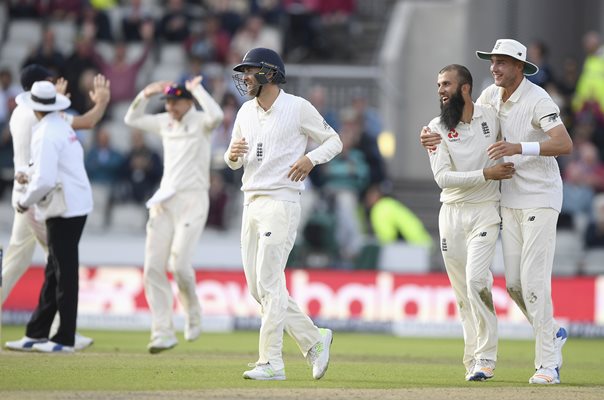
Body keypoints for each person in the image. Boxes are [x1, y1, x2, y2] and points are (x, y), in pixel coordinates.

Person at [421, 39, 572, 385]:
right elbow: (459, 117)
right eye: (492, 62)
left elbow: (565, 144)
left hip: (541, 196)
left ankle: (547, 364)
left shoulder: (538, 99)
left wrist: (521, 147)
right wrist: (427, 133)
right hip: (508, 199)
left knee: (533, 281)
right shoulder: (489, 96)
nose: (495, 68)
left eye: (502, 63)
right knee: (516, 285)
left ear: (520, 66)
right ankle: (552, 335)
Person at [225, 47, 342, 380]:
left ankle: (272, 362)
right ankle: (314, 339)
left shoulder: (297, 107)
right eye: (243, 72)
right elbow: (235, 160)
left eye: (250, 71)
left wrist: (310, 159)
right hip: (252, 201)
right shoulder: (245, 112)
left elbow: (334, 141)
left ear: (270, 74)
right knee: (258, 289)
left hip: (282, 201)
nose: (245, 77)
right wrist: (231, 156)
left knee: (269, 282)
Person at [1, 65, 110, 351]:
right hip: (42, 198)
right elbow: (85, 123)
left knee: (35, 262)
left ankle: (44, 331)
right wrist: (100, 103)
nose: (55, 82)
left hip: (35, 195)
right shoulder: (50, 124)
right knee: (59, 265)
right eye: (49, 83)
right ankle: (62, 334)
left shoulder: (22, 114)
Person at [424, 64, 515, 381]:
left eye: (446, 83)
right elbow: (443, 179)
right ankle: (472, 361)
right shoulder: (435, 128)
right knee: (463, 294)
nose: (440, 90)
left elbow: (511, 104)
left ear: (465, 88)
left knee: (478, 281)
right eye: (438, 85)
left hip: (485, 210)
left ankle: (486, 358)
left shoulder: (490, 116)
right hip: (451, 214)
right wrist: (487, 174)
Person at [123, 76, 224, 354]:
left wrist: (197, 89)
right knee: (153, 267)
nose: (169, 107)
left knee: (179, 266)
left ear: (187, 102)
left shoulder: (201, 121)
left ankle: (193, 312)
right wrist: (145, 91)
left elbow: (217, 115)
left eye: (175, 102)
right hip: (165, 201)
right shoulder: (165, 122)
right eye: (167, 102)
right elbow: (131, 119)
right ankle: (163, 332)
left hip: (194, 199)